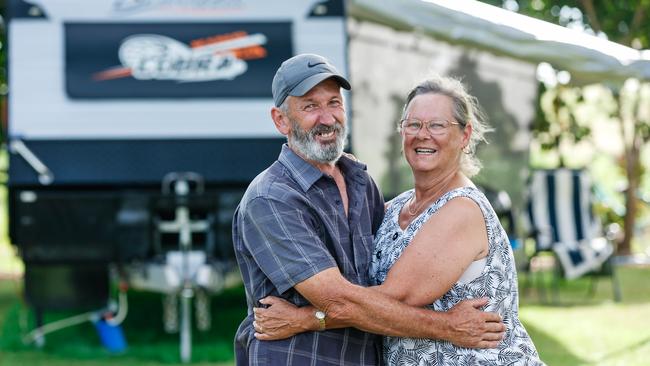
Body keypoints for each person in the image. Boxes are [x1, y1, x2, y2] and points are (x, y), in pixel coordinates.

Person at [251, 74, 544, 365]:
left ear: (465, 135)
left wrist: (304, 319)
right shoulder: (398, 207)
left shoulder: (462, 209)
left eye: (438, 125)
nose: (423, 134)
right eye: (413, 124)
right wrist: (340, 175)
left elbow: (390, 301)